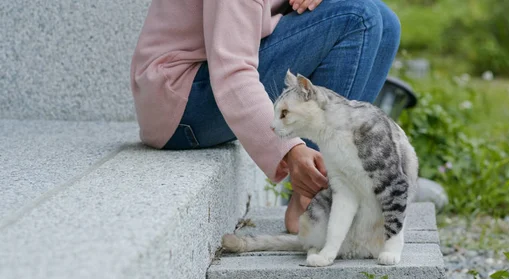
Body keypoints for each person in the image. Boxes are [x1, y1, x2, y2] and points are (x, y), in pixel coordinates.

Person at [130, 0, 402, 234]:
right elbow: (232, 72)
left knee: (385, 22)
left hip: (202, 86)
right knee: (358, 15)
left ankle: (337, 180)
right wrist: (291, 150)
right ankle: (313, 199)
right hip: (182, 101)